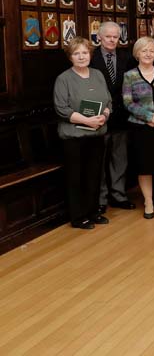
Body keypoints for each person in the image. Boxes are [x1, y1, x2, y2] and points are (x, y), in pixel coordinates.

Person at [54, 37, 112, 229]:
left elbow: (108, 101)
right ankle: (78, 217)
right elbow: (62, 109)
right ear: (70, 57)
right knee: (76, 177)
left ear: (90, 54)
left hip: (97, 134)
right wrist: (87, 120)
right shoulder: (63, 79)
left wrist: (105, 114)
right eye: (76, 53)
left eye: (85, 53)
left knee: (94, 175)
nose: (81, 57)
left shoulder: (98, 74)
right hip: (74, 137)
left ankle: (93, 211)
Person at [122, 36, 154, 219]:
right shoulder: (130, 76)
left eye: (151, 51)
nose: (148, 54)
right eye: (144, 51)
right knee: (144, 167)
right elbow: (128, 102)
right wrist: (149, 117)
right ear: (137, 53)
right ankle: (148, 202)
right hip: (141, 128)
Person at [90, 21, 136, 212]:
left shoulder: (127, 58)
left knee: (120, 158)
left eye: (115, 36)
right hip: (98, 116)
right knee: (99, 159)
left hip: (121, 117)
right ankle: (101, 199)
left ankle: (118, 194)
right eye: (107, 36)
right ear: (99, 37)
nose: (111, 40)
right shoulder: (90, 58)